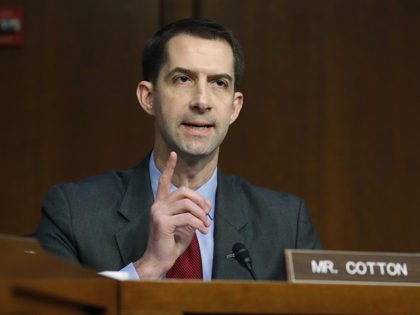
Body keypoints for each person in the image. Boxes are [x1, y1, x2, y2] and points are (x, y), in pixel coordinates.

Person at [35, 18, 321, 281]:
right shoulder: (75, 212)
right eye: (183, 79)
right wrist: (147, 268)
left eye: (219, 83)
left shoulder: (286, 223)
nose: (202, 101)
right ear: (149, 97)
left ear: (234, 108)